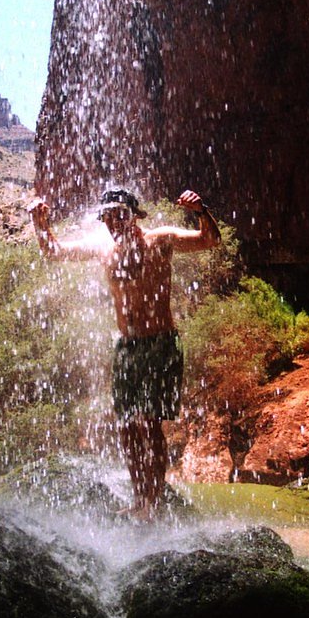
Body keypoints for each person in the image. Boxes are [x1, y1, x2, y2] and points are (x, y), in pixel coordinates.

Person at [28, 187, 221, 520]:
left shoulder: (160, 240)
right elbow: (54, 252)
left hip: (160, 342)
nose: (112, 222)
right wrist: (40, 223)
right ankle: (139, 499)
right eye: (107, 216)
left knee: (150, 424)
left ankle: (154, 502)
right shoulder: (104, 248)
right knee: (127, 426)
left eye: (119, 214)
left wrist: (201, 210)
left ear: (135, 215)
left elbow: (209, 240)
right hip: (127, 347)